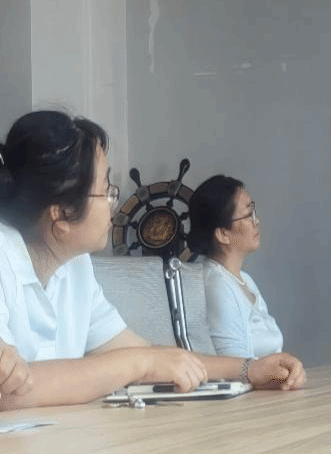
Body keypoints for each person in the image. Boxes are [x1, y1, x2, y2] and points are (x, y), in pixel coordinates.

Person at [0, 110, 305, 409]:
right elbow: (9, 393)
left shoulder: (76, 266)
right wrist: (141, 364)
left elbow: (144, 352)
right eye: (106, 191)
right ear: (62, 213)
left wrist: (249, 369)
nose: (114, 203)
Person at [188, 174, 286, 359]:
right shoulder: (216, 286)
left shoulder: (245, 280)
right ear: (223, 234)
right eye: (248, 215)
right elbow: (237, 366)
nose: (256, 221)